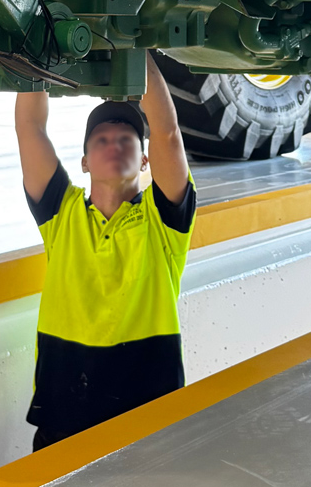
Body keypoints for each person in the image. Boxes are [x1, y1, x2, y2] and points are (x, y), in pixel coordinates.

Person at [14, 51, 196, 451]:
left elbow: (166, 131)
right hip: (63, 414)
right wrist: (31, 50)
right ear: (83, 161)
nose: (114, 145)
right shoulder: (61, 214)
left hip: (148, 417)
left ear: (145, 159)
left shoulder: (163, 221)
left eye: (127, 138)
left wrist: (135, 43)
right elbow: (30, 128)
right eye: (101, 140)